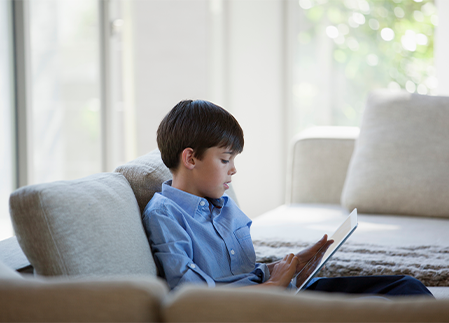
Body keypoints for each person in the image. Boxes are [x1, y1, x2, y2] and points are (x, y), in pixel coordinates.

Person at [143, 99, 433, 297]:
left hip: (280, 294)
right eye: (224, 159)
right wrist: (274, 286)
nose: (233, 169)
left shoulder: (224, 207)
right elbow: (192, 296)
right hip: (261, 308)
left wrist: (289, 265)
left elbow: (243, 274)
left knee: (406, 286)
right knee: (395, 297)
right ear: (190, 158)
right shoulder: (165, 214)